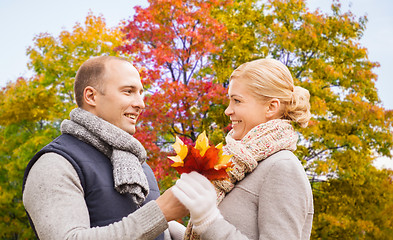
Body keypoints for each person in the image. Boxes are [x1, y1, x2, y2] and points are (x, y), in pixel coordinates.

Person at [22, 56, 188, 239]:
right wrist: (160, 214)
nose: (141, 103)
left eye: (141, 93)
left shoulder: (137, 165)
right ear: (91, 96)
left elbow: (146, 226)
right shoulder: (55, 163)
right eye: (128, 91)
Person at [172, 58, 314, 239]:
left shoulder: (283, 168)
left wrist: (207, 219)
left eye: (237, 101)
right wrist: (164, 224)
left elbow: (215, 228)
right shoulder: (239, 165)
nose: (228, 110)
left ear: (271, 107)